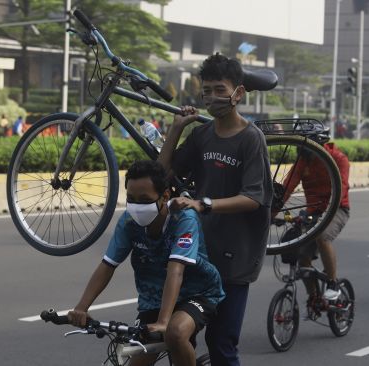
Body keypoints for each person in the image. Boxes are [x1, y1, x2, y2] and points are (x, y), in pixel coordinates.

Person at [158, 53, 272, 366]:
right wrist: (177, 129)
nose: (211, 97)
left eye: (219, 89)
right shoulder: (202, 135)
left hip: (235, 261)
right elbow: (161, 176)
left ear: (239, 93)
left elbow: (253, 197)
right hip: (197, 256)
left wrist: (203, 203)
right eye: (206, 90)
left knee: (222, 345)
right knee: (178, 340)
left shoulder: (251, 139)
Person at [68, 160, 224, 366]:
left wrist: (163, 322)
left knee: (175, 333)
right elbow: (107, 265)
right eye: (131, 199)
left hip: (198, 292)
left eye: (144, 199)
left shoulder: (184, 219)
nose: (136, 206)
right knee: (137, 358)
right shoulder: (128, 222)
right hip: (153, 299)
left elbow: (175, 271)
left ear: (165, 196)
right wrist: (81, 308)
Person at [279, 127, 350, 301]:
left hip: (337, 208)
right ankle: (314, 298)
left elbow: (340, 190)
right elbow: (286, 189)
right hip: (313, 212)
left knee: (322, 236)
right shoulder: (303, 161)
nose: (302, 148)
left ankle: (333, 282)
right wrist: (269, 214)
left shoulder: (338, 159)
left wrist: (325, 214)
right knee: (303, 256)